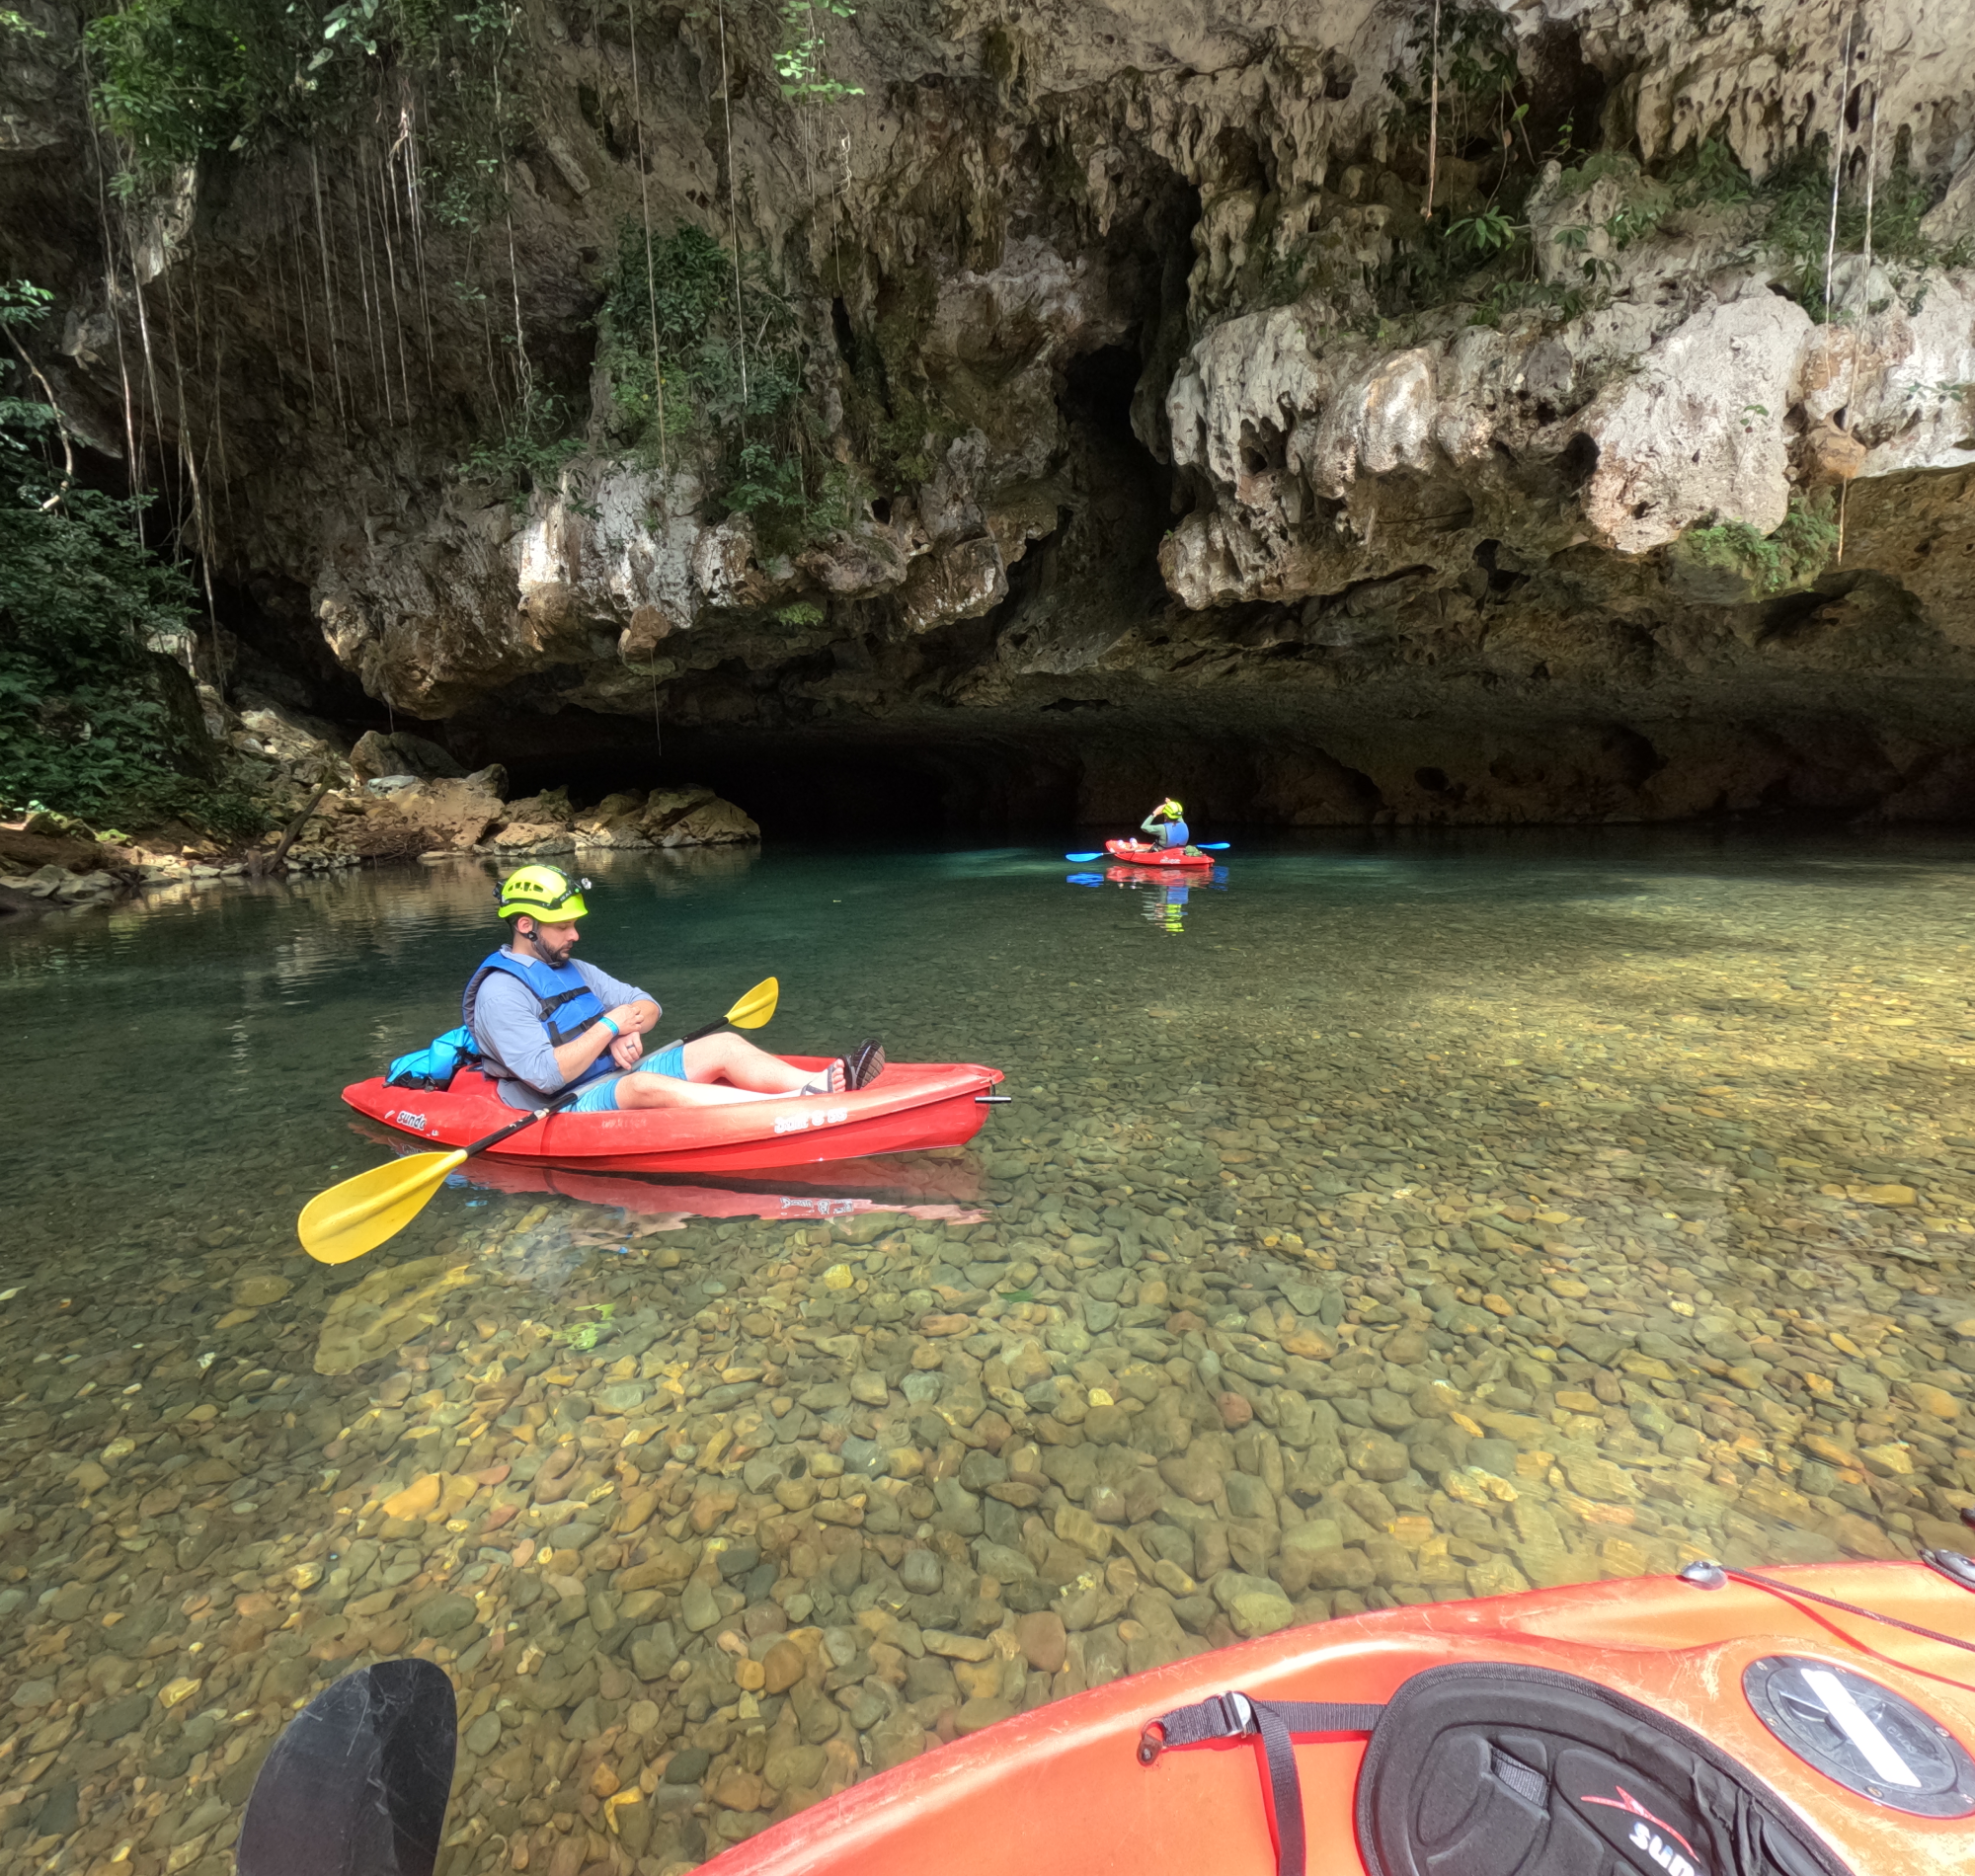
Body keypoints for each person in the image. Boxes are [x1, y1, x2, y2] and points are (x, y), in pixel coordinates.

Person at [464, 865, 883, 1113]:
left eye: (574, 923)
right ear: (525, 926)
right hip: (558, 1104)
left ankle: (816, 1081)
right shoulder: (500, 993)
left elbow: (648, 1005)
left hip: (605, 1073)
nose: (574, 934)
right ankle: (797, 1103)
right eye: (563, 926)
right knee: (640, 1086)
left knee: (723, 1044)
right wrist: (608, 1028)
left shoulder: (573, 968)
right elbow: (544, 1075)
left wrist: (627, 1029)